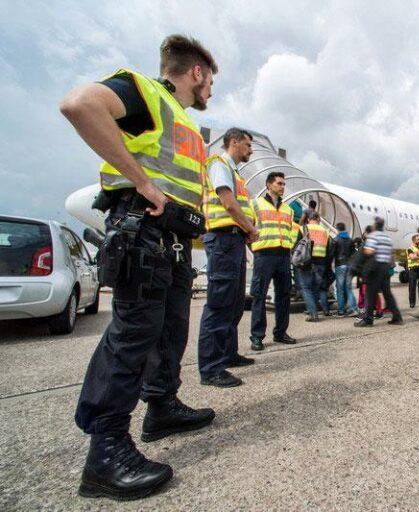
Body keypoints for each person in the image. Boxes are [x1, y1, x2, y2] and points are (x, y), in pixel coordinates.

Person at [60, 34, 217, 500]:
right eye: (212, 82)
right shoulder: (145, 92)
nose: (212, 91)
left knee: (168, 330)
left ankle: (161, 407)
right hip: (142, 232)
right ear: (197, 73)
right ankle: (105, 454)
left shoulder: (184, 122)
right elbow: (79, 104)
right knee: (131, 336)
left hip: (172, 242)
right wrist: (143, 183)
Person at [197, 128, 258, 388]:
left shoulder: (234, 172)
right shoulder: (219, 165)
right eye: (247, 145)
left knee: (233, 303)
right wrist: (251, 229)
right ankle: (211, 368)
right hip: (222, 240)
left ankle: (228, 354)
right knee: (219, 303)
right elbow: (229, 205)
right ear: (234, 142)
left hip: (233, 241)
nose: (250, 150)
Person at [250, 171, 298, 350]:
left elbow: (291, 232)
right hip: (264, 255)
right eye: (279, 183)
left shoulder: (289, 210)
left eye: (284, 184)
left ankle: (280, 332)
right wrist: (255, 249)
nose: (282, 187)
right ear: (269, 185)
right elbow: (249, 229)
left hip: (284, 255)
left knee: (284, 295)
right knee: (259, 295)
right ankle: (257, 336)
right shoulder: (255, 204)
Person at [354, 217, 404, 327]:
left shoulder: (373, 236)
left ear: (375, 225)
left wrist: (362, 254)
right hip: (386, 268)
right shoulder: (387, 238)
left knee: (370, 293)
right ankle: (397, 317)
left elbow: (369, 251)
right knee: (388, 294)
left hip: (376, 268)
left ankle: (368, 319)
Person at [297, 213, 332, 321]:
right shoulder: (325, 230)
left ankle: (313, 314)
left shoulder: (303, 228)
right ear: (319, 219)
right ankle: (312, 310)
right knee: (315, 288)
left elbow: (297, 245)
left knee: (306, 288)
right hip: (321, 263)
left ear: (309, 219)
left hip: (307, 262)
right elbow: (329, 249)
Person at [333, 222, 358, 316]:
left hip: (340, 265)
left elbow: (332, 253)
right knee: (348, 288)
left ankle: (341, 311)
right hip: (349, 266)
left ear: (337, 229)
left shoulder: (336, 240)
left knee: (340, 289)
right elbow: (354, 253)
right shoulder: (351, 240)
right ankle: (354, 308)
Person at [407, 234, 419, 308]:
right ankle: (412, 303)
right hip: (413, 270)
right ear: (413, 240)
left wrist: (417, 254)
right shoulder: (410, 248)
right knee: (412, 288)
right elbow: (412, 257)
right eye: (417, 239)